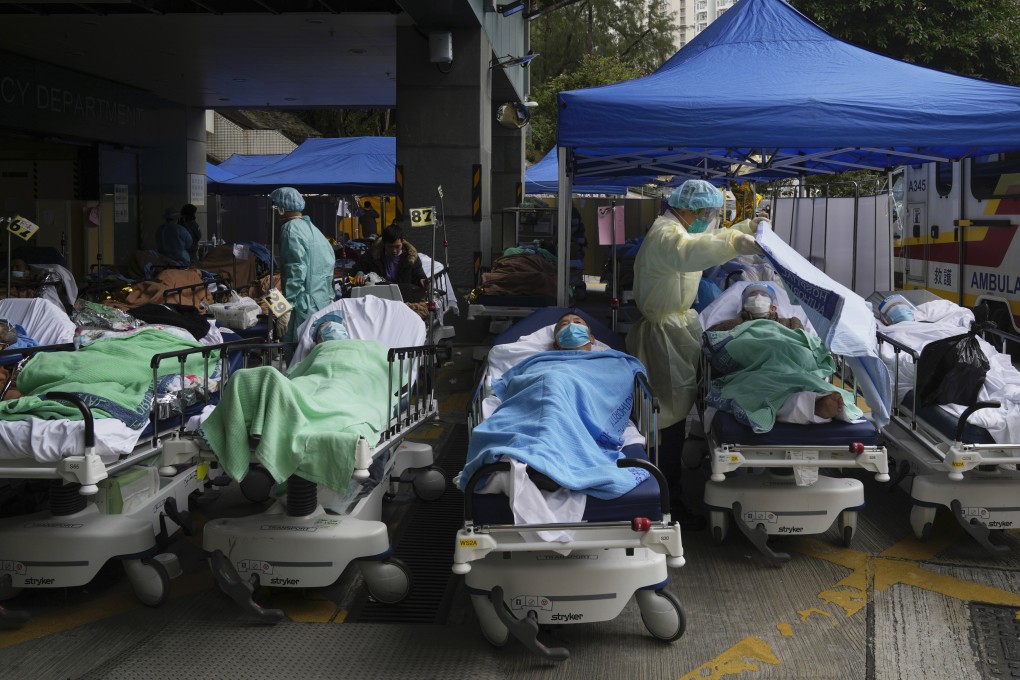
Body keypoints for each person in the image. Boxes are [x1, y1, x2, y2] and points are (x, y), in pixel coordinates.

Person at [626, 179, 760, 527]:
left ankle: (669, 484)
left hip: (675, 330)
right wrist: (737, 241)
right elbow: (693, 251)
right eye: (708, 213)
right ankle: (663, 492)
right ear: (689, 209)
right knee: (666, 418)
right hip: (662, 338)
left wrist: (746, 227)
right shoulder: (666, 234)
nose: (710, 219)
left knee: (673, 413)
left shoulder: (676, 229)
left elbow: (702, 241)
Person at [269, 187, 336, 350]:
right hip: (321, 303)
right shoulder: (313, 230)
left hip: (302, 306)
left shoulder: (290, 229)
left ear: (280, 208)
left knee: (297, 359)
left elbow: (296, 269)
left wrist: (286, 307)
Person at [352, 225, 428, 302]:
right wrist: (359, 272)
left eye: (397, 246)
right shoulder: (372, 254)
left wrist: (422, 280)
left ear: (402, 242)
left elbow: (419, 274)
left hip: (403, 298)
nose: (394, 250)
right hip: (379, 297)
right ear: (384, 244)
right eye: (390, 247)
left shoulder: (411, 257)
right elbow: (358, 266)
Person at [707, 283, 805, 332]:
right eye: (753, 295)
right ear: (744, 306)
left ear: (773, 308)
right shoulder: (730, 327)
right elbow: (708, 339)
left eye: (764, 295)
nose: (758, 297)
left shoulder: (792, 324)